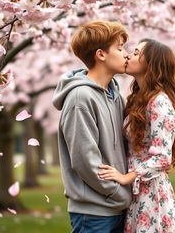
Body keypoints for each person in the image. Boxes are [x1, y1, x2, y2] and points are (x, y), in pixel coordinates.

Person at [98, 38, 175, 233]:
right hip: (138, 193)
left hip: (151, 195)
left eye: (137, 53)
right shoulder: (139, 101)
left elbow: (162, 158)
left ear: (152, 64)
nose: (129, 55)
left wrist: (126, 177)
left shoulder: (159, 102)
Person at [52, 20, 132, 233]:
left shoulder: (115, 95)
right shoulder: (80, 97)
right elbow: (84, 160)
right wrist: (120, 194)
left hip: (116, 207)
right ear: (101, 54)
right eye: (120, 48)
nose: (126, 54)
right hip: (94, 213)